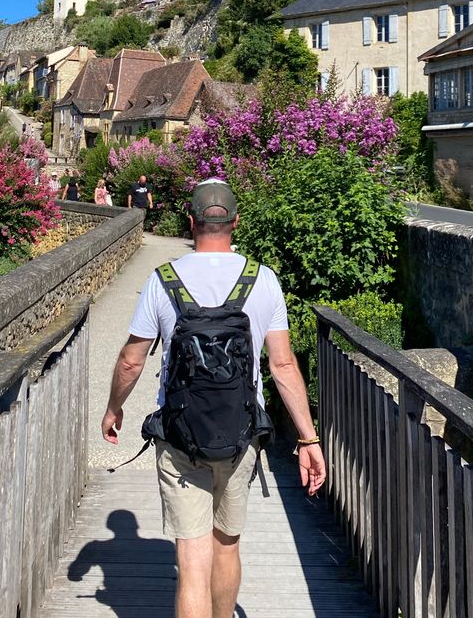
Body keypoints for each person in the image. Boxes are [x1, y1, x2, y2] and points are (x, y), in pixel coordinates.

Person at [102, 179, 325, 618]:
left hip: (181, 439)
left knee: (192, 564)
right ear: (235, 223)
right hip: (240, 437)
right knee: (227, 548)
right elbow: (282, 367)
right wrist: (308, 439)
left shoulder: (164, 280)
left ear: (192, 222)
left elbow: (132, 361)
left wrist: (114, 408)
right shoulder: (262, 280)